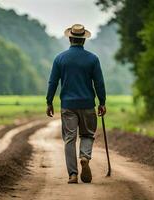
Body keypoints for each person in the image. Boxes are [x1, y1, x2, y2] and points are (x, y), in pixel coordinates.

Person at [46, 24, 106, 184]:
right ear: (83, 40)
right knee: (87, 134)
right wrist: (102, 102)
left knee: (69, 139)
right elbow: (99, 82)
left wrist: (49, 101)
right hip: (87, 104)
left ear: (70, 38)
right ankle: (85, 157)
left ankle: (72, 174)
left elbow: (53, 82)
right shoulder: (93, 59)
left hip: (68, 105)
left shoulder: (60, 58)